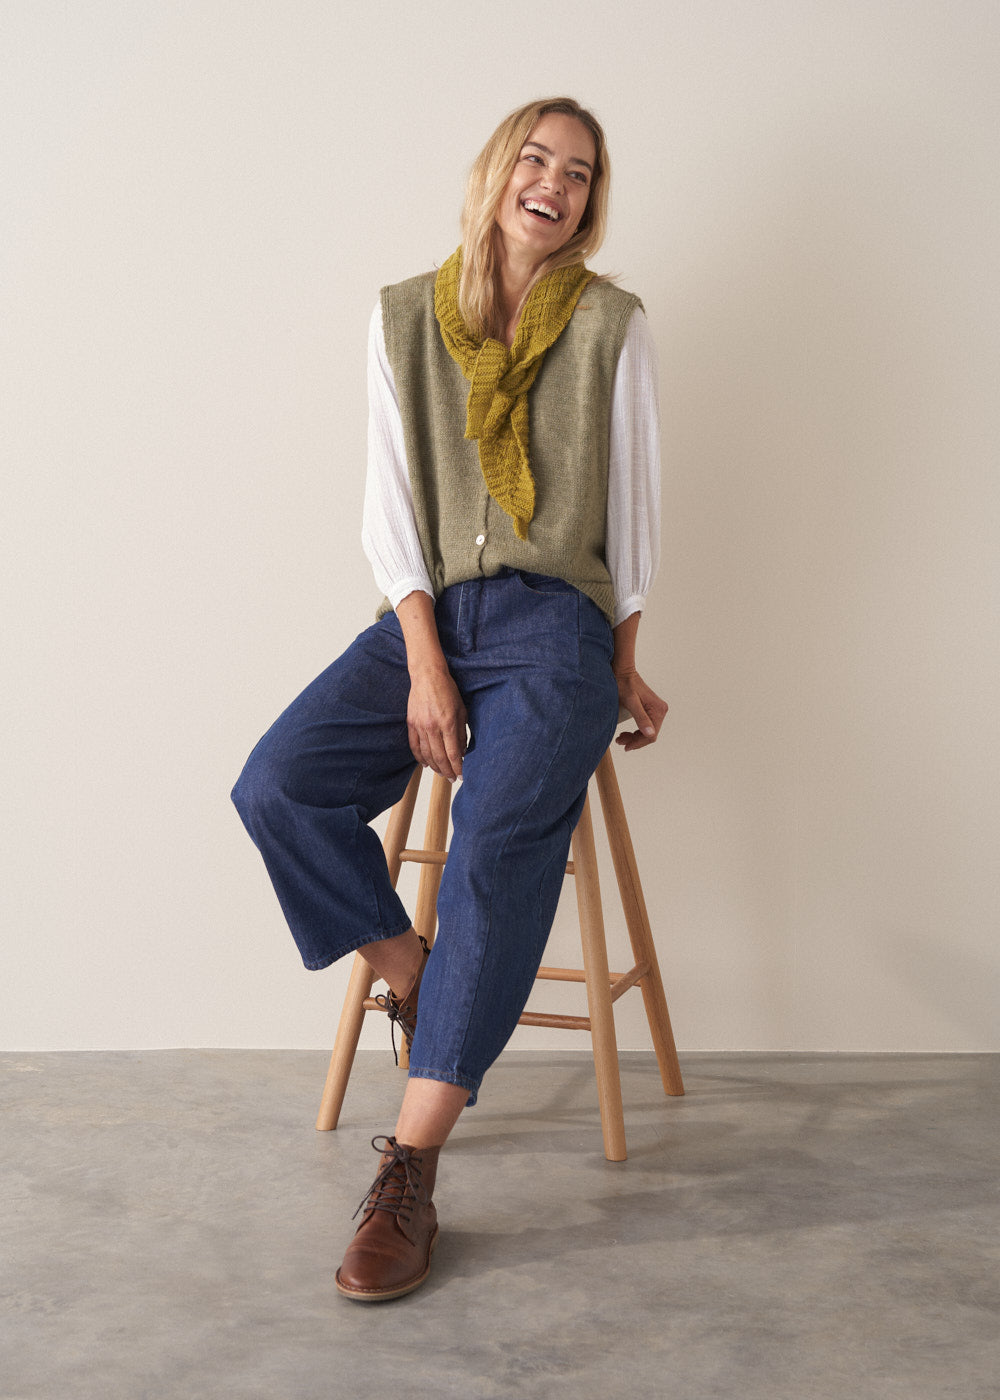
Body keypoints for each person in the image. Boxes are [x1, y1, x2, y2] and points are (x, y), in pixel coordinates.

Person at [232, 96, 667, 1302]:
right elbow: (389, 515)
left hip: (558, 628)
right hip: (427, 615)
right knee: (277, 784)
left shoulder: (612, 325)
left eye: (579, 173)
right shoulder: (399, 317)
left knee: (493, 843)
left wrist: (622, 657)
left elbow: (634, 518)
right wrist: (424, 663)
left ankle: (410, 1166)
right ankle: (416, 969)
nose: (556, 184)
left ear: (589, 202)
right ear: (494, 173)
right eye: (536, 159)